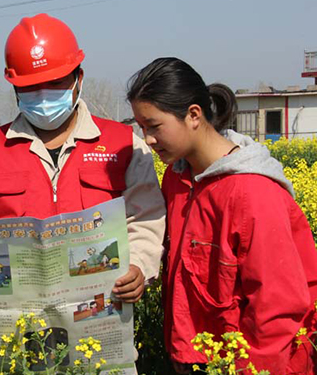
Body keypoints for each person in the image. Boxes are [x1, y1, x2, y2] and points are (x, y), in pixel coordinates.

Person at [0, 13, 165, 326]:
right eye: (32, 87)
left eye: (56, 83)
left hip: (101, 323)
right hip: (16, 331)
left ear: (79, 78)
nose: (44, 96)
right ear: (15, 87)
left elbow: (146, 218)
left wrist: (139, 266)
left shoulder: (124, 145)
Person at [127, 57, 317, 374]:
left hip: (245, 365)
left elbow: (277, 308)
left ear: (193, 115)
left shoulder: (252, 193)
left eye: (154, 126)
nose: (147, 138)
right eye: (142, 128)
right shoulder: (177, 178)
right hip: (192, 356)